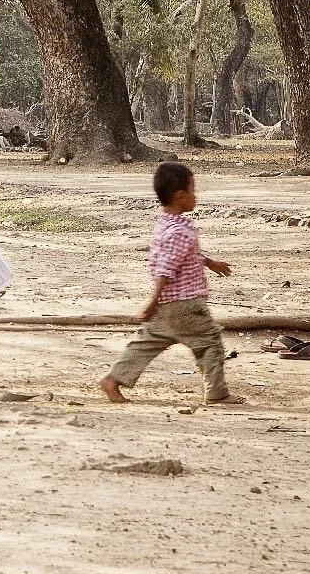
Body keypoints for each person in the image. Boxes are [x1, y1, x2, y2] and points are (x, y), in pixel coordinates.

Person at [100, 163, 245, 406]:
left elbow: (180, 258)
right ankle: (217, 392)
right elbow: (165, 270)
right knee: (209, 342)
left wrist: (209, 262)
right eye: (193, 190)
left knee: (146, 343)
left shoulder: (166, 225)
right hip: (186, 304)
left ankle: (112, 380)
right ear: (180, 196)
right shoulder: (179, 231)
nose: (195, 196)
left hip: (168, 304)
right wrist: (151, 301)